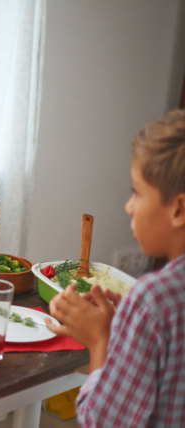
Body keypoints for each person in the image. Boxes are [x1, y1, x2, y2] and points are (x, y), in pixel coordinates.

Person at [46, 109, 185, 427]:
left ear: (178, 209)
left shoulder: (152, 300)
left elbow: (104, 420)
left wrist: (100, 340)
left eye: (137, 192)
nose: (128, 206)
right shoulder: (154, 305)